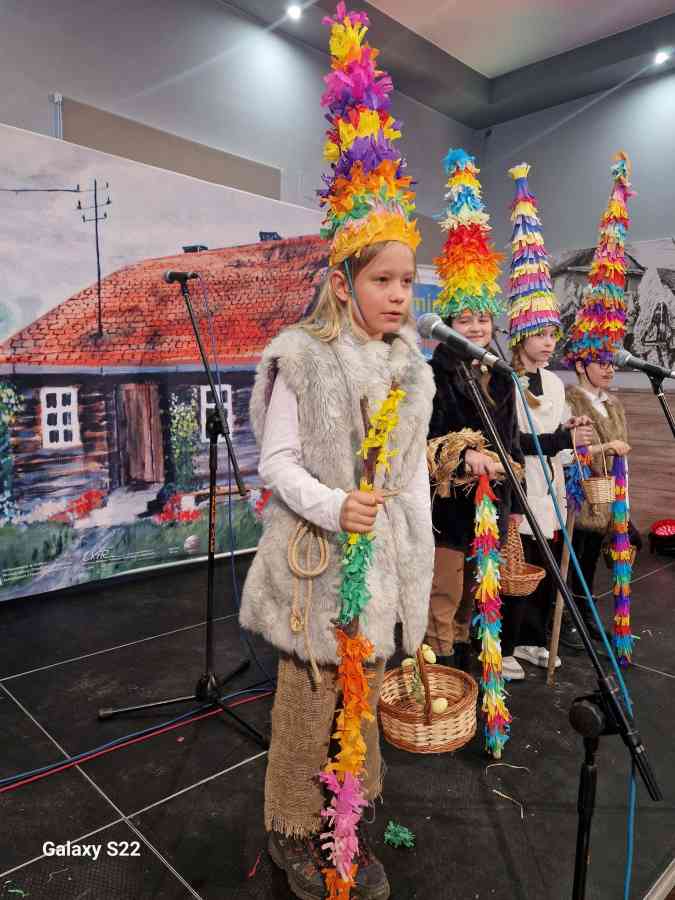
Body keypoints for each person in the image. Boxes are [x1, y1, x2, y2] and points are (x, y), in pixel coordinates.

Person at [240, 6, 434, 898]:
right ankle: (292, 829)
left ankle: (349, 820)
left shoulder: (413, 370)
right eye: (382, 279)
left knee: (365, 698)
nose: (397, 295)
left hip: (382, 565)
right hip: (315, 566)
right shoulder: (304, 357)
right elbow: (277, 465)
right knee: (311, 697)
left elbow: (410, 481)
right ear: (344, 279)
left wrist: (417, 584)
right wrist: (333, 504)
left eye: (407, 281)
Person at [424, 149, 525, 682]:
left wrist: (514, 507)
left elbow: (513, 445)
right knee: (443, 592)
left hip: (492, 507)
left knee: (475, 594)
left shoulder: (502, 377)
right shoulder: (436, 373)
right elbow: (429, 434)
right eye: (466, 319)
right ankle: (436, 669)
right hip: (450, 507)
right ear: (449, 325)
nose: (478, 328)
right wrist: (464, 455)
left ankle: (465, 666)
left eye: (484, 318)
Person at [505, 163, 593, 674]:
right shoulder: (505, 381)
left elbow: (556, 433)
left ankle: (535, 640)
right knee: (514, 569)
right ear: (521, 334)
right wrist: (558, 437)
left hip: (552, 488)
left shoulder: (556, 384)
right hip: (521, 491)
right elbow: (515, 438)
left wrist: (571, 437)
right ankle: (506, 645)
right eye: (540, 334)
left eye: (552, 334)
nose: (547, 343)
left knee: (544, 568)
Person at [562, 151, 637, 651]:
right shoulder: (574, 399)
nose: (608, 368)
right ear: (582, 364)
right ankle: (575, 622)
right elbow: (580, 449)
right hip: (585, 499)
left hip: (611, 500)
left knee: (600, 564)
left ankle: (588, 619)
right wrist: (606, 451)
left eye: (612, 362)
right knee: (579, 563)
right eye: (601, 362)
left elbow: (620, 447)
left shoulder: (615, 403)